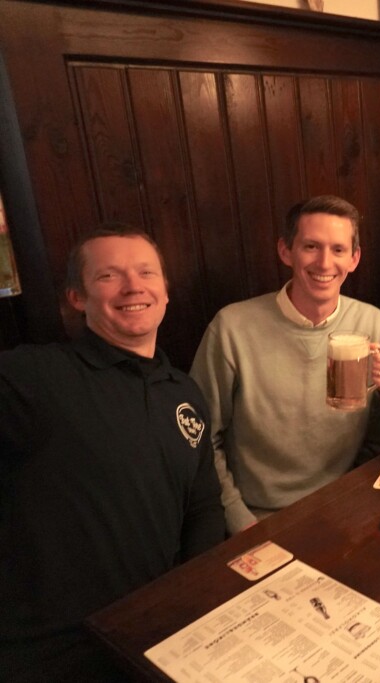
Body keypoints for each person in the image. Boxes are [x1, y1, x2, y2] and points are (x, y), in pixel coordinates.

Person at [0, 224, 225, 681]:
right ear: (77, 298)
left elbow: (202, 508)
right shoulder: (34, 377)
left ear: (165, 292)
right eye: (108, 276)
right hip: (53, 651)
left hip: (157, 634)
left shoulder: (183, 392)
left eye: (147, 273)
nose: (133, 286)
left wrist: (198, 600)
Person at [191, 195, 380, 534]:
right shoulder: (232, 328)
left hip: (345, 504)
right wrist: (238, 519)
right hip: (260, 517)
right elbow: (202, 439)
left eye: (338, 250)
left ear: (354, 259)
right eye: (311, 246)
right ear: (285, 251)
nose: (325, 263)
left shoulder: (372, 323)